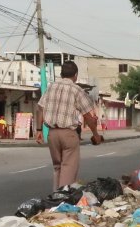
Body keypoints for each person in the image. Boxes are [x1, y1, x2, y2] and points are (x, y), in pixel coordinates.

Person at [35, 60, 103, 189]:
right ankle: (63, 198)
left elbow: (40, 108)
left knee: (57, 167)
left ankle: (55, 196)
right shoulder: (77, 90)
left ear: (61, 74)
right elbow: (88, 116)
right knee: (68, 167)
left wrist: (39, 130)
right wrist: (95, 135)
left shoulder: (51, 87)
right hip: (68, 134)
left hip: (52, 134)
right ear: (76, 75)